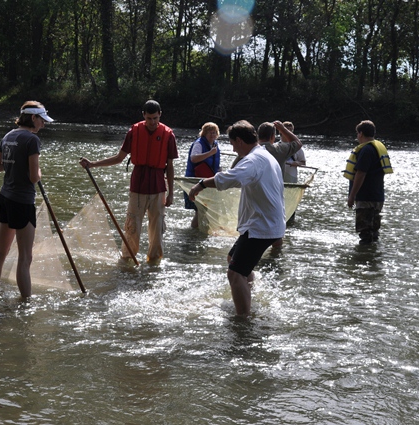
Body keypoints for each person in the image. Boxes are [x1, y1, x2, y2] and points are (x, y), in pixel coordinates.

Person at [188, 120, 284, 316]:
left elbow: (231, 178)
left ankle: (242, 320)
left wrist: (201, 184)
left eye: (232, 144)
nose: (233, 149)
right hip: (266, 223)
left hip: (262, 226)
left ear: (239, 141)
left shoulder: (253, 160)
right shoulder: (264, 155)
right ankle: (248, 294)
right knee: (234, 258)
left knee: (234, 272)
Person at [79, 100, 179, 263]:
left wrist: (171, 194)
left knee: (157, 230)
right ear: (143, 116)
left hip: (158, 186)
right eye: (149, 118)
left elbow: (170, 166)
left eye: (155, 118)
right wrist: (93, 164)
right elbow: (119, 158)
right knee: (132, 227)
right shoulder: (134, 131)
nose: (152, 122)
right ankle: (127, 262)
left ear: (160, 115)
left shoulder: (168, 135)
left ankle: (154, 263)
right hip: (138, 186)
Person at [0, 100, 53, 298]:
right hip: (22, 200)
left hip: (6, 197)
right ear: (33, 118)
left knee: (2, 250)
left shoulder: (9, 136)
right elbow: (34, 177)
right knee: (25, 257)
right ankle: (26, 304)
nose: (43, 124)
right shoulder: (32, 140)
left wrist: (14, 166)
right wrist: (39, 171)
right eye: (42, 120)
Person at [344, 120, 393, 245]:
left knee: (365, 233)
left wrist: (352, 196)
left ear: (360, 134)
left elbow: (360, 174)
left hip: (365, 197)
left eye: (357, 134)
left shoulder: (366, 150)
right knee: (374, 232)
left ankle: (363, 259)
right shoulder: (378, 148)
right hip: (377, 196)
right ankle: (372, 259)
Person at [184, 122, 221, 228]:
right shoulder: (199, 143)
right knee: (200, 210)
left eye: (214, 133)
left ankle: (202, 230)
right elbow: (194, 158)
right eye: (210, 133)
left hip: (208, 180)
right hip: (195, 180)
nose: (213, 135)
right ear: (204, 134)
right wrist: (210, 153)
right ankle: (194, 233)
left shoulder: (215, 144)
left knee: (205, 209)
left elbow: (215, 164)